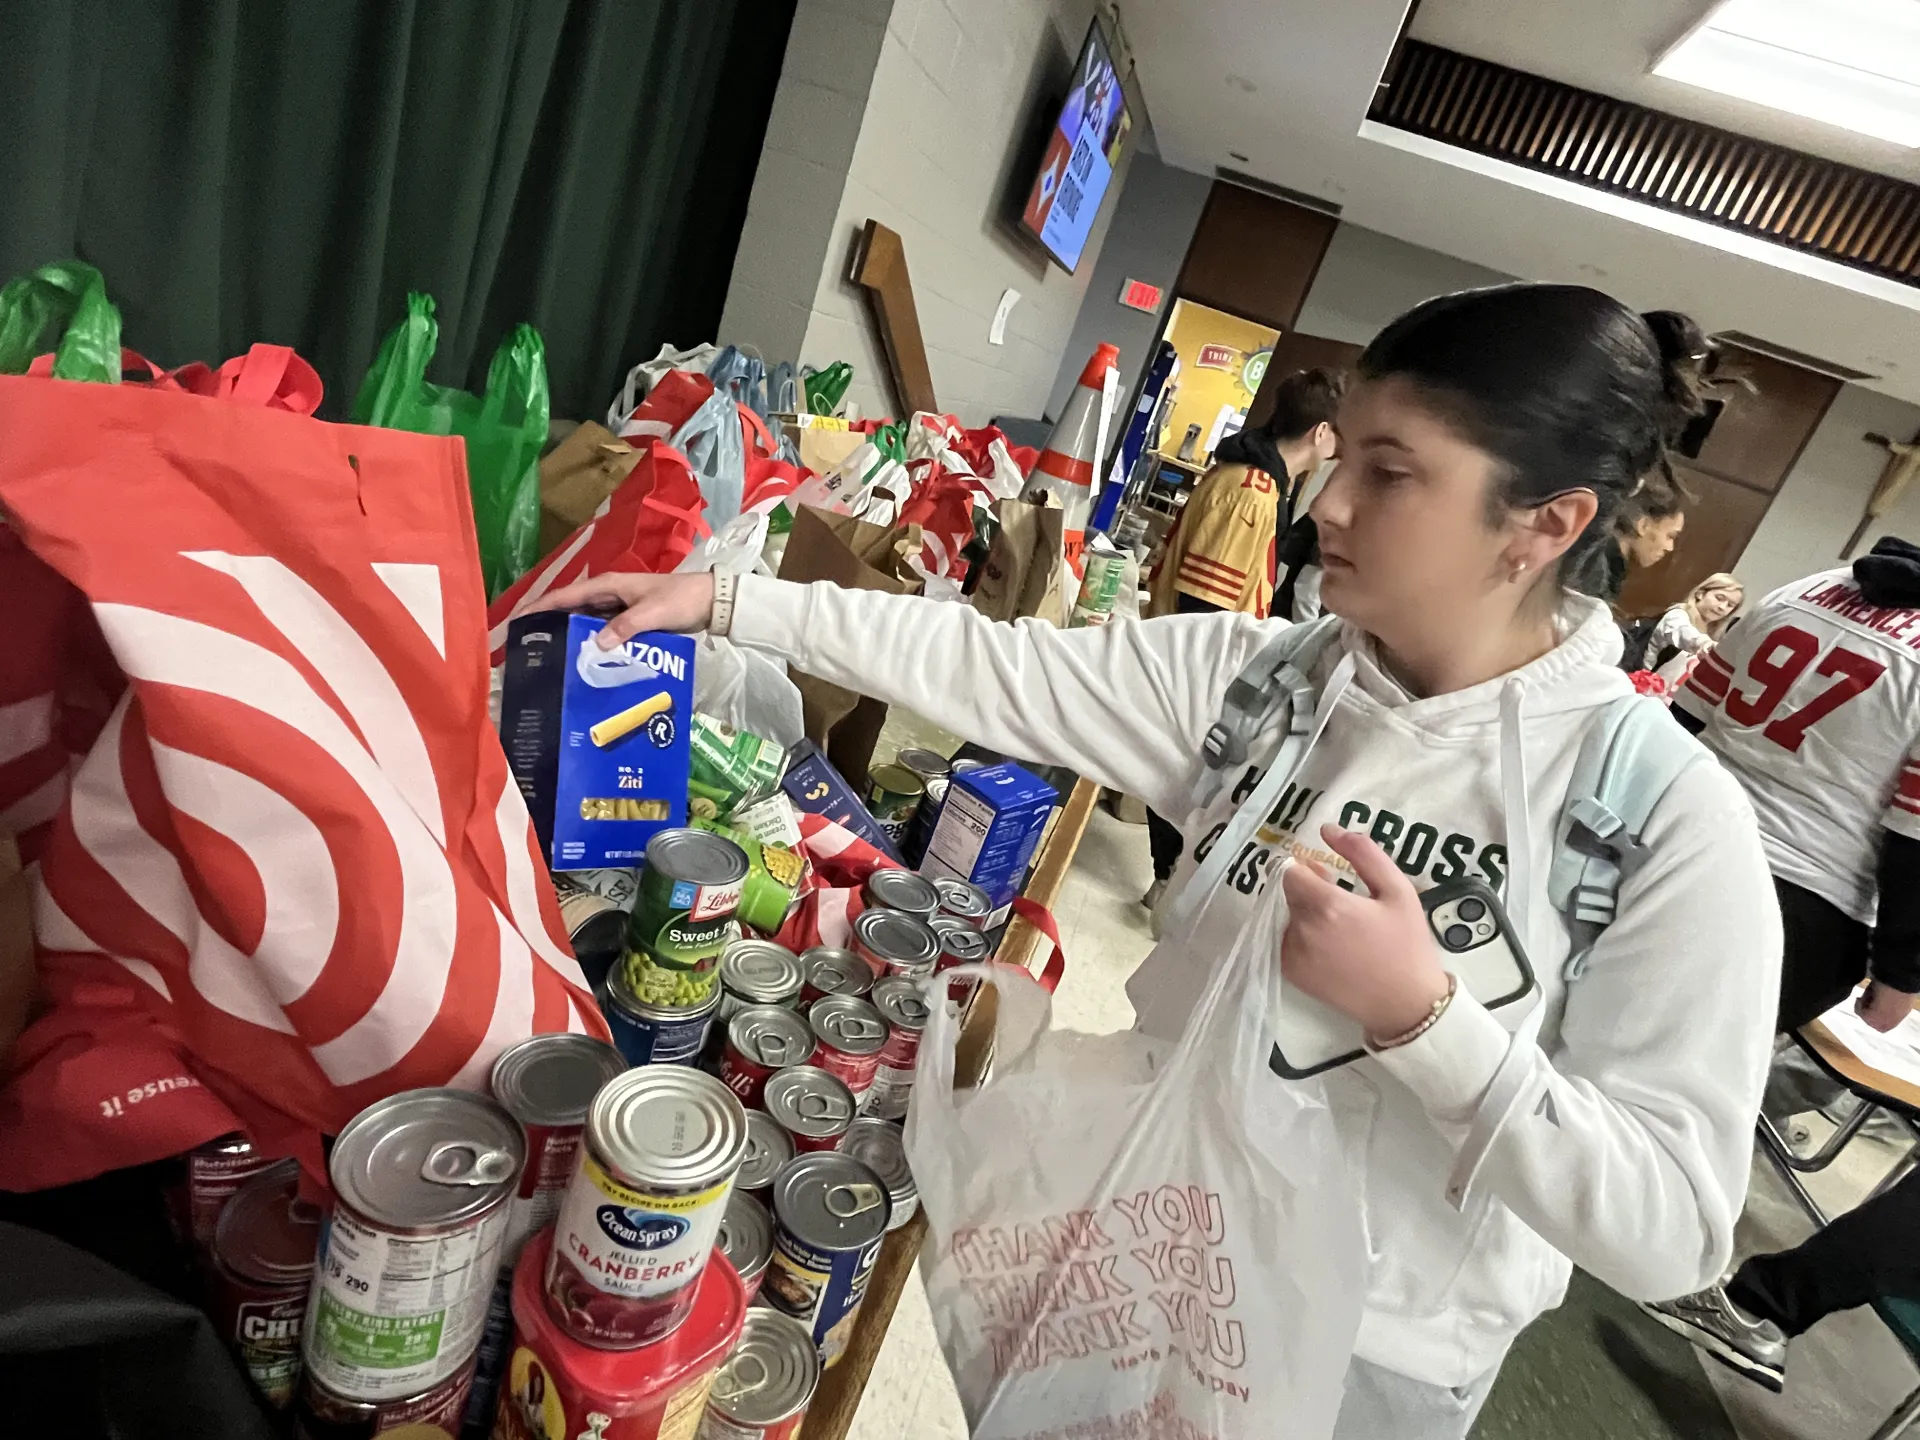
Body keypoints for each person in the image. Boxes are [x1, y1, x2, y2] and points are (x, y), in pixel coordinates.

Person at [525, 284, 1780, 1440]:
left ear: (1544, 527)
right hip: (1131, 1253)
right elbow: (998, 667)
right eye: (1342, 459)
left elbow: (1670, 1226)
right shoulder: (1264, 682)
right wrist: (732, 606)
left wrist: (1425, 1020)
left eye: (1393, 476)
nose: (1330, 505)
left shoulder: (1658, 820)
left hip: (1362, 1366)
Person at [1642, 537, 1920, 1390]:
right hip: (1798, 894)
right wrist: (1900, 973)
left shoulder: (1815, 583)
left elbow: (1686, 717)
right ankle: (1613, 1230)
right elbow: (1914, 841)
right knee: (1679, 1080)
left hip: (1678, 831)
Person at [1140, 368, 1343, 913]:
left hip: (1203, 657)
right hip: (1201, 661)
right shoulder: (1251, 492)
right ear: (1321, 433)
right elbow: (1205, 607)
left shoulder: (1259, 479)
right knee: (1189, 767)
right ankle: (1167, 875)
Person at [1631, 571, 1743, 671]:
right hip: (1638, 681)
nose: (1722, 607)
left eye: (1730, 605)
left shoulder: (1713, 632)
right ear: (1700, 594)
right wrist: (1704, 643)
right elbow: (1684, 632)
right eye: (1719, 598)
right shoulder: (1678, 614)